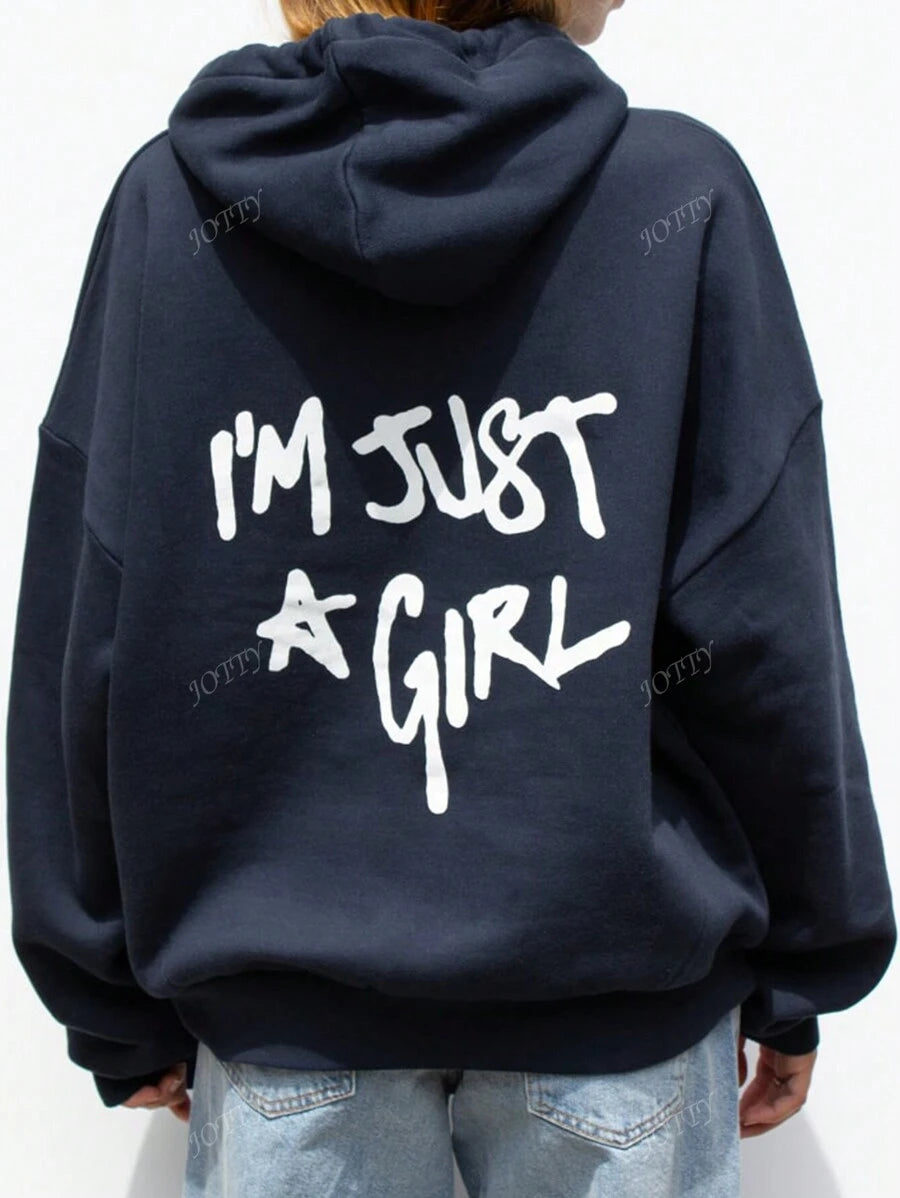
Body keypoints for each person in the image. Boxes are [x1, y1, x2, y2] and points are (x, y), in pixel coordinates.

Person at [5, 0, 895, 1194]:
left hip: (290, 1038)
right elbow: (760, 623)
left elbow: (92, 614)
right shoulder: (676, 193)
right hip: (613, 1027)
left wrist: (106, 993)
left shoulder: (177, 203)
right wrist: (808, 960)